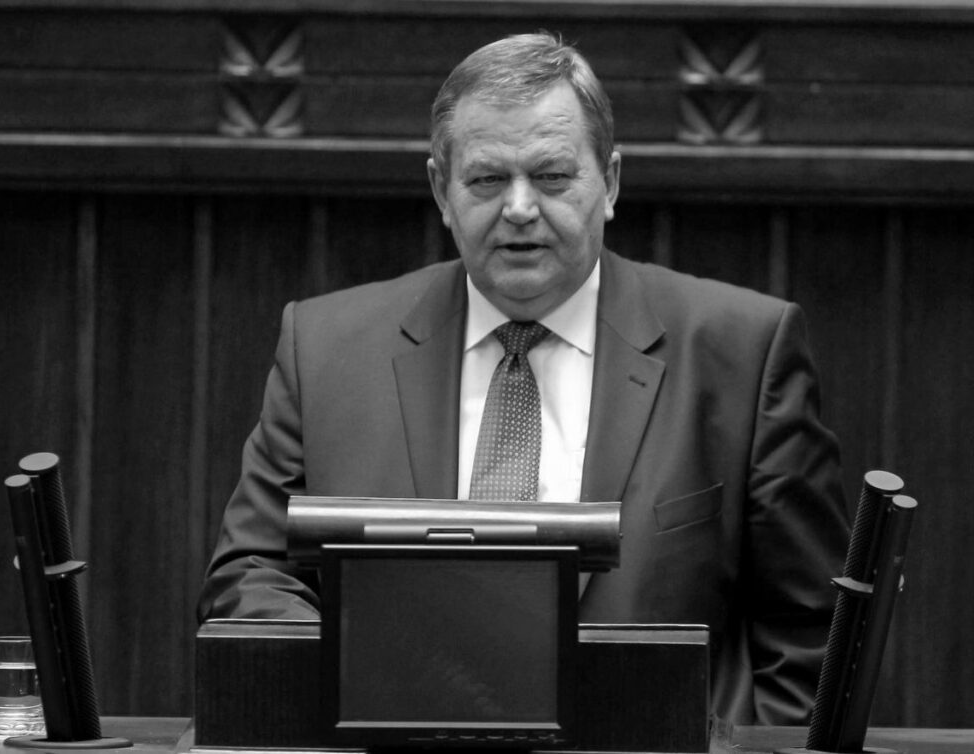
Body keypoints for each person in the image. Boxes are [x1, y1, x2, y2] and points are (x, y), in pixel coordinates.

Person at [198, 32, 849, 727]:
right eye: (486, 180)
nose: (518, 208)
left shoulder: (741, 351)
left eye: (552, 176)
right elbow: (251, 577)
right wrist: (352, 691)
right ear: (441, 191)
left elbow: (813, 633)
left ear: (610, 183)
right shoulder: (327, 348)